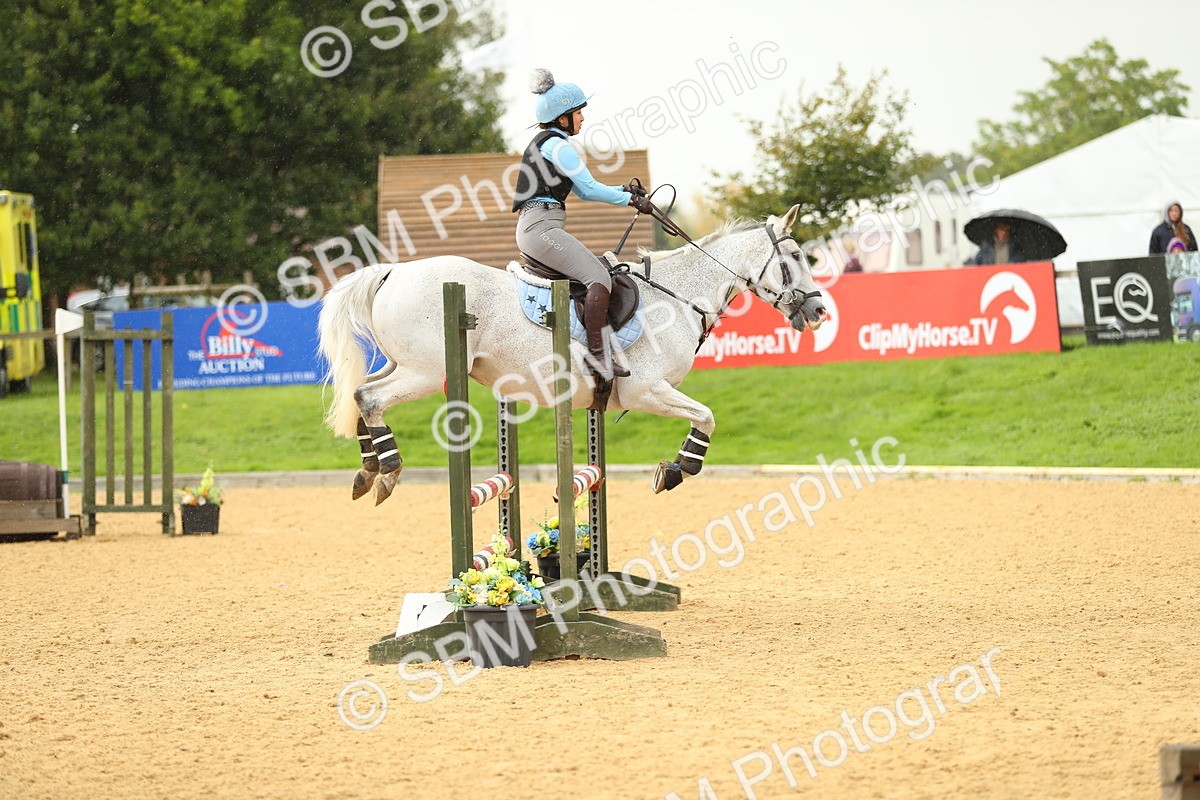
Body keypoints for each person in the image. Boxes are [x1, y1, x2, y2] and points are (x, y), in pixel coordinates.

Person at [512, 68, 654, 379]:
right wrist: (631, 201)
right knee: (598, 277)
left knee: (593, 274)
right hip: (541, 229)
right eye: (578, 112)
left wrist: (623, 191)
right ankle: (598, 356)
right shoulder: (560, 146)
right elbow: (589, 189)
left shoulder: (548, 144)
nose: (583, 118)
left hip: (538, 226)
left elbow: (583, 189)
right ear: (562, 118)